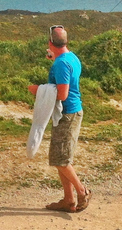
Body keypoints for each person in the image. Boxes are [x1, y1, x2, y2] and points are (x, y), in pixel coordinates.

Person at [28, 25, 91, 213]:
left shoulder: (62, 63)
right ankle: (68, 200)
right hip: (69, 113)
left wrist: (38, 90)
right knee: (61, 157)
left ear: (50, 43)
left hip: (67, 114)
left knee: (60, 160)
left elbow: (62, 94)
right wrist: (54, 57)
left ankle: (82, 191)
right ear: (66, 42)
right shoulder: (71, 57)